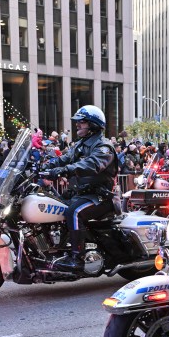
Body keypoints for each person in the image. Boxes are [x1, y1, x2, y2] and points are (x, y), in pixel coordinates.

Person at [41, 105, 118, 273]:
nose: (77, 125)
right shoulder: (80, 145)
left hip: (100, 197)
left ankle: (77, 258)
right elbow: (65, 158)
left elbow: (92, 164)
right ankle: (57, 250)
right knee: (53, 206)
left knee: (73, 212)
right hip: (82, 194)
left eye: (81, 123)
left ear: (93, 125)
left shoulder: (104, 147)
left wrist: (65, 170)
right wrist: (46, 165)